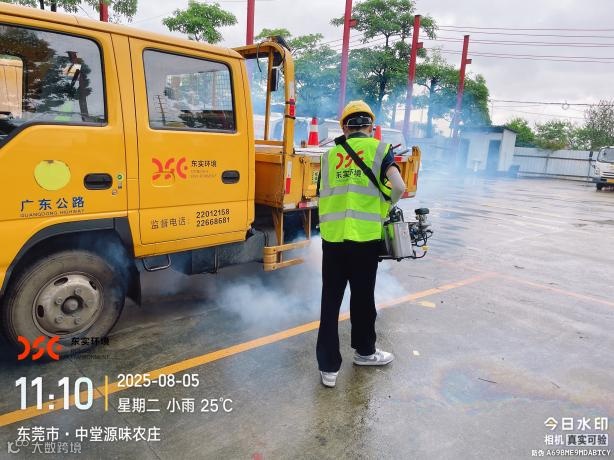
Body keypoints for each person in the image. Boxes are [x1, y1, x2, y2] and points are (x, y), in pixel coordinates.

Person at [316, 100, 407, 388]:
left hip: (333, 238)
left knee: (330, 301)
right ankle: (365, 352)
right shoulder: (380, 149)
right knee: (362, 297)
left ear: (344, 127)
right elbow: (399, 187)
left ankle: (328, 368)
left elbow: (323, 194)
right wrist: (386, 207)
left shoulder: (329, 156)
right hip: (364, 239)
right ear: (370, 126)